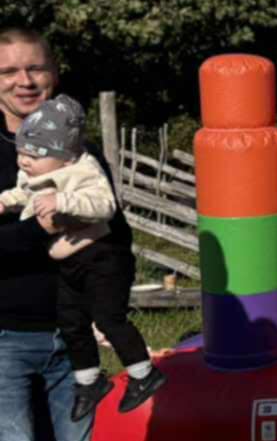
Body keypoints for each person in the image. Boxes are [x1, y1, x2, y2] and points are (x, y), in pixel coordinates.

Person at [0, 27, 107, 441]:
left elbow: (112, 230)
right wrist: (55, 224)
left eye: (35, 68)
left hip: (72, 337)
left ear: (54, 73)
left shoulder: (78, 147)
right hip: (4, 334)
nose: (24, 80)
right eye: (10, 71)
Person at [0, 94, 162, 416]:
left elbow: (104, 205)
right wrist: (6, 200)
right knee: (71, 321)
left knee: (107, 318)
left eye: (33, 154)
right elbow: (25, 192)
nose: (24, 161)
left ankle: (144, 374)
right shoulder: (35, 170)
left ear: (64, 157)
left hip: (100, 258)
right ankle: (89, 381)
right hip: (70, 263)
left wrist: (62, 202)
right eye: (21, 153)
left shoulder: (84, 169)